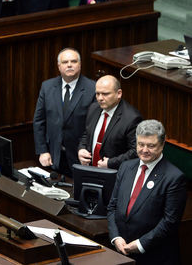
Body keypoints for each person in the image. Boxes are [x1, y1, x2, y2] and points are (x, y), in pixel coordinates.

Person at [107, 120, 187, 265]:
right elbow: (112, 206)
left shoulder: (174, 178)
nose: (144, 150)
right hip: (121, 251)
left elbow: (170, 222)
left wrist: (140, 244)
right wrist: (115, 237)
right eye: (140, 144)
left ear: (162, 145)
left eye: (151, 146)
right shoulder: (125, 167)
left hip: (154, 256)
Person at [33, 48, 95, 176]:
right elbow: (39, 121)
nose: (69, 65)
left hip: (80, 155)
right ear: (59, 66)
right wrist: (42, 151)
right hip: (53, 154)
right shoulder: (47, 87)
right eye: (65, 62)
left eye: (73, 61)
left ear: (80, 64)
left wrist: (84, 149)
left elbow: (93, 125)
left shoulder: (92, 88)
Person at [78, 75, 142, 169]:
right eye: (97, 94)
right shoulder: (93, 108)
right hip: (89, 169)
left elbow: (135, 151)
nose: (100, 98)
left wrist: (111, 163)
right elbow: (86, 134)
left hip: (114, 174)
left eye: (105, 94)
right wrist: (81, 149)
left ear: (119, 93)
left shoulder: (132, 118)